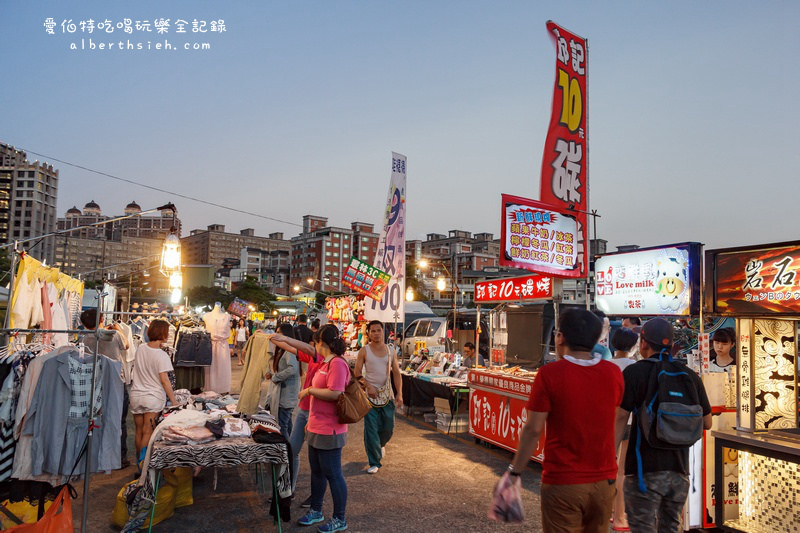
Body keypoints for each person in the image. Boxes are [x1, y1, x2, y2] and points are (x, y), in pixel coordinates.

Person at [505, 308, 623, 532]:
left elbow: (532, 430)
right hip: (604, 481)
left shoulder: (550, 375)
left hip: (564, 482)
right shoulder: (613, 373)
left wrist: (515, 470)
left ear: (561, 338)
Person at [614, 318, 712, 533]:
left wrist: (608, 457)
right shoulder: (689, 376)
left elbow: (620, 417)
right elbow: (707, 422)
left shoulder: (634, 373)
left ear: (643, 342)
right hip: (679, 474)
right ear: (671, 345)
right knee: (670, 528)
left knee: (643, 528)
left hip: (643, 473)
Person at [297, 325, 350, 533]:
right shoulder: (324, 362)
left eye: (316, 342)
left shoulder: (337, 363)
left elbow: (336, 393)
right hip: (316, 426)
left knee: (333, 474)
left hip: (331, 429)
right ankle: (316, 510)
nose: (314, 346)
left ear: (322, 343)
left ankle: (340, 518)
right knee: (317, 472)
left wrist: (310, 390)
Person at [271, 330, 324, 507]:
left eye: (316, 343)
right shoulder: (313, 358)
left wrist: (285, 337)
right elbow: (291, 348)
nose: (314, 346)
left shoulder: (326, 359)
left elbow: (302, 348)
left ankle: (316, 498)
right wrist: (269, 337)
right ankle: (287, 491)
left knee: (318, 461)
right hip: (303, 409)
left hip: (318, 413)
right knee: (292, 450)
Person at [80, 309, 132, 467]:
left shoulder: (83, 338)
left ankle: (94, 455)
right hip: (115, 381)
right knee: (118, 419)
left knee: (94, 418)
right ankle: (118, 457)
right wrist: (117, 330)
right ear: (101, 318)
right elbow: (127, 345)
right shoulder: (113, 335)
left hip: (94, 380)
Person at [354, 320, 403, 474]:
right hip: (369, 397)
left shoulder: (391, 350)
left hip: (387, 396)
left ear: (384, 332)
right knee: (371, 430)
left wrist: (400, 393)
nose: (376, 333)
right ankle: (374, 461)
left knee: (388, 428)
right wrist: (368, 386)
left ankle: (380, 445)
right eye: (373, 331)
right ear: (368, 333)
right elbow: (356, 374)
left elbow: (396, 372)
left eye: (378, 330)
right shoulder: (364, 351)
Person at [129, 320, 177, 462]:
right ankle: (143, 466)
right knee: (147, 432)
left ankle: (139, 463)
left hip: (136, 395)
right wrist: (173, 400)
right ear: (162, 334)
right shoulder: (162, 355)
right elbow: (164, 380)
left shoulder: (141, 348)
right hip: (153, 397)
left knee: (138, 431)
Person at [609, 327, 640, 532]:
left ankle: (610, 512)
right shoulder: (634, 366)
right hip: (627, 423)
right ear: (633, 345)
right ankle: (620, 517)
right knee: (622, 471)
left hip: (606, 422)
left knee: (607, 467)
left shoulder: (606, 366)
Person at [266, 323, 300, 440]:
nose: (277, 334)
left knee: (282, 425)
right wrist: (272, 375)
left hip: (287, 393)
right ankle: (290, 448)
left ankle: (287, 450)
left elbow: (293, 368)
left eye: (279, 332)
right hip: (284, 392)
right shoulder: (282, 350)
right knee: (286, 422)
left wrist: (276, 377)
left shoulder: (289, 350)